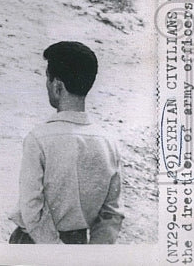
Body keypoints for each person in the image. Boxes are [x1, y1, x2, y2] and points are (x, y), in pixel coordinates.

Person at [9, 41, 124, 244]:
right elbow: (111, 214)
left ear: (57, 85)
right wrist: (92, 256)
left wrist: (57, 251)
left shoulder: (39, 139)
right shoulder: (109, 142)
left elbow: (32, 208)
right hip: (79, 243)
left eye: (47, 78)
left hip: (35, 244)